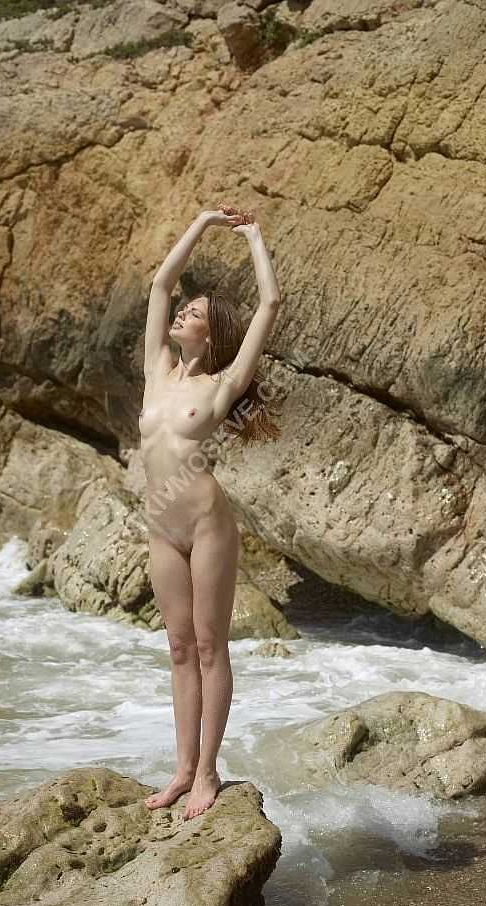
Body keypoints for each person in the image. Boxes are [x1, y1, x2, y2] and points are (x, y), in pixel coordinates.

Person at [140, 203, 282, 821]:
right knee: (177, 647)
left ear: (211, 332)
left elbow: (270, 304)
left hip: (205, 524)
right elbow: (160, 284)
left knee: (208, 645)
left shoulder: (222, 384)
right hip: (160, 526)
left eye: (193, 313)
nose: (181, 313)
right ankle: (180, 769)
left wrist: (252, 236)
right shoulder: (156, 370)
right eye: (185, 309)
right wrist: (200, 222)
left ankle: (206, 772)